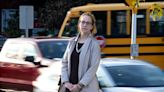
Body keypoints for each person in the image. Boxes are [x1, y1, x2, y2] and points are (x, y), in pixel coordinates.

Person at [60, 12, 101, 92]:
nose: (84, 25)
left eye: (88, 23)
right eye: (82, 22)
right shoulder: (71, 42)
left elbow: (93, 68)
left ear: (92, 26)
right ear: (79, 24)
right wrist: (66, 82)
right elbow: (64, 63)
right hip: (69, 87)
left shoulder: (94, 44)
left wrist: (79, 86)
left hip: (86, 88)